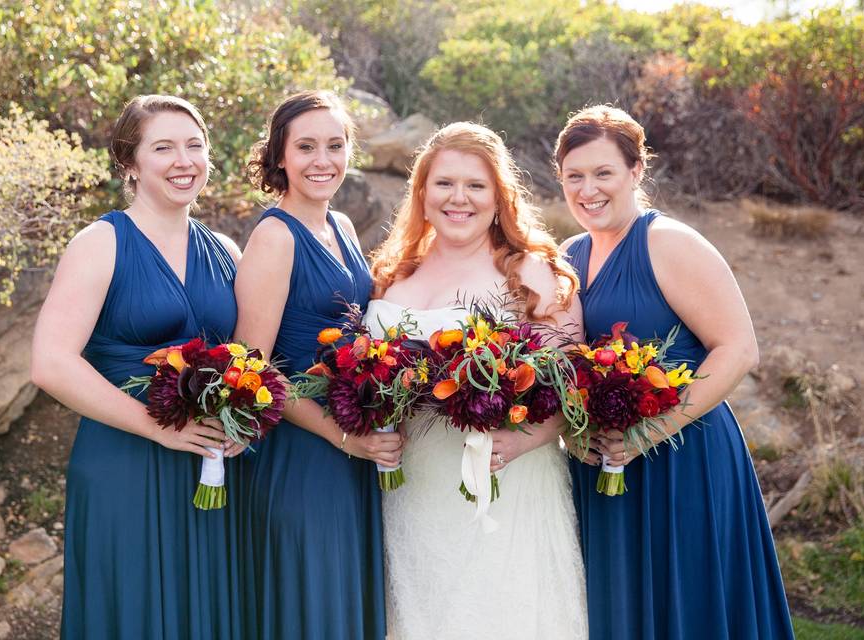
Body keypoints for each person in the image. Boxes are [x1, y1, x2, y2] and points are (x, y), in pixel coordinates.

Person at [554, 105, 794, 639]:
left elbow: (737, 349)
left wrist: (648, 433)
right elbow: (562, 362)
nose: (587, 189)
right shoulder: (568, 255)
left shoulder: (670, 243)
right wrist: (573, 430)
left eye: (603, 173)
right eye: (574, 177)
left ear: (636, 171)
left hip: (684, 455)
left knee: (689, 600)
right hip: (603, 460)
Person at [31, 95, 245, 639]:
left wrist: (246, 422)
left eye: (194, 145)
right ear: (130, 164)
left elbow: (249, 358)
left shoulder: (225, 250)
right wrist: (156, 427)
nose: (184, 160)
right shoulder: (100, 243)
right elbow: (51, 363)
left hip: (208, 466)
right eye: (163, 148)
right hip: (123, 463)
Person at [366, 122, 589, 639]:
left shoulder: (532, 274)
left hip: (504, 482)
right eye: (444, 183)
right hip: (409, 488)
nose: (458, 198)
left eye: (475, 185)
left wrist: (521, 441)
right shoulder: (393, 275)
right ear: (421, 194)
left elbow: (574, 385)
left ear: (499, 198)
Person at [234, 90, 400, 640]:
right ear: (280, 155)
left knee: (346, 598)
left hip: (353, 440)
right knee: (312, 602)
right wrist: (340, 437)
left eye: (335, 144)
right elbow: (252, 367)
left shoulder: (345, 226)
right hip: (303, 448)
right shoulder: (275, 236)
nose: (322, 160)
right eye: (306, 147)